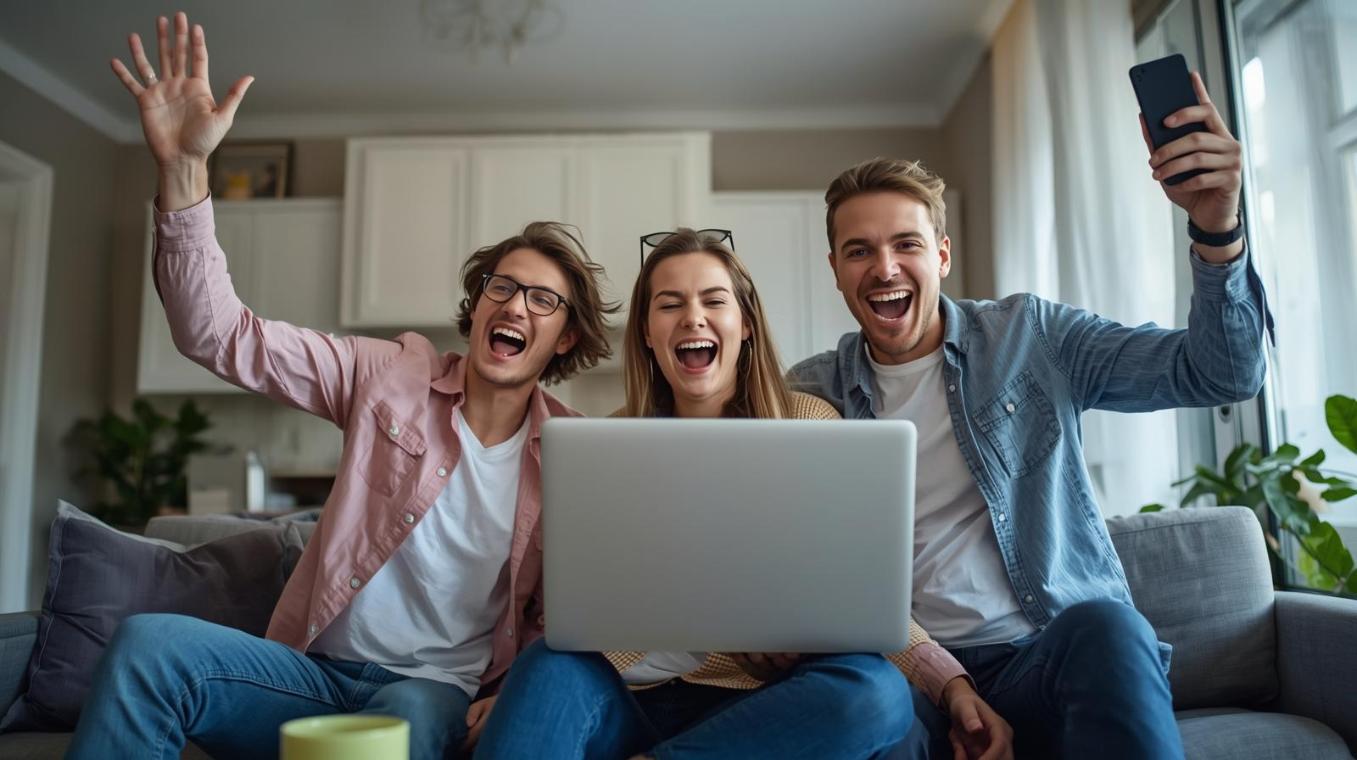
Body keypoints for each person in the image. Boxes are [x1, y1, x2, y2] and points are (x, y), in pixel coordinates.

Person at [69, 12, 618, 759]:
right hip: (309, 673)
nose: (516, 305)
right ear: (478, 303)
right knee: (148, 647)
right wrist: (185, 170)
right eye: (502, 285)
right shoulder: (390, 374)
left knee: (400, 730)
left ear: (567, 337)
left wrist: (513, 692)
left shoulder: (573, 455)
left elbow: (574, 612)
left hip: (431, 691)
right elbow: (217, 334)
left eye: (543, 300)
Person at [789, 73, 1269, 759]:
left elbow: (1220, 373)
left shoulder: (1029, 336)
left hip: (1044, 658)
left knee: (1110, 627)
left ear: (942, 256)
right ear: (835, 269)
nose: (884, 268)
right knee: (855, 696)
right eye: (859, 250)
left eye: (906, 244)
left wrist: (1216, 227)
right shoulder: (810, 394)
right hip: (911, 681)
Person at [473, 228, 1012, 759]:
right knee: (546, 662)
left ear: (746, 323)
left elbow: (865, 600)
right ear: (646, 333)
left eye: (713, 301)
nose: (693, 318)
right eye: (670, 304)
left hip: (761, 712)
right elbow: (574, 610)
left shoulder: (810, 425)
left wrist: (952, 685)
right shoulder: (603, 445)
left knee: (875, 693)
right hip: (627, 699)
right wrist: (518, 694)